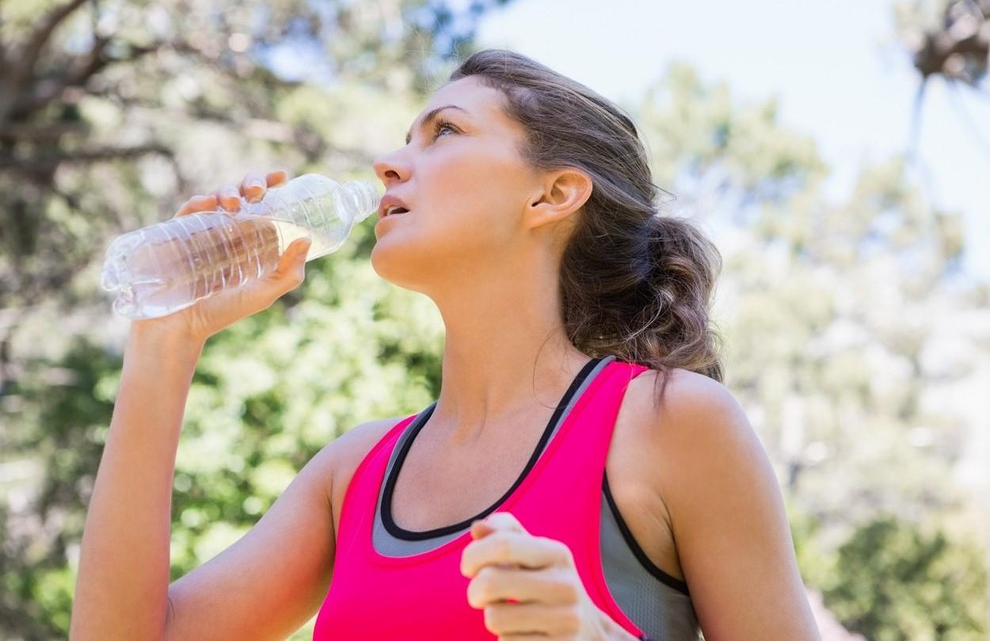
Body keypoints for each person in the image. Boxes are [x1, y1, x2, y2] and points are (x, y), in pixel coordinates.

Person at [71, 50, 820, 640]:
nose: (390, 165)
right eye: (405, 139)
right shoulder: (354, 474)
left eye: (445, 132)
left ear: (552, 195)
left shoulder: (671, 422)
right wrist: (165, 343)